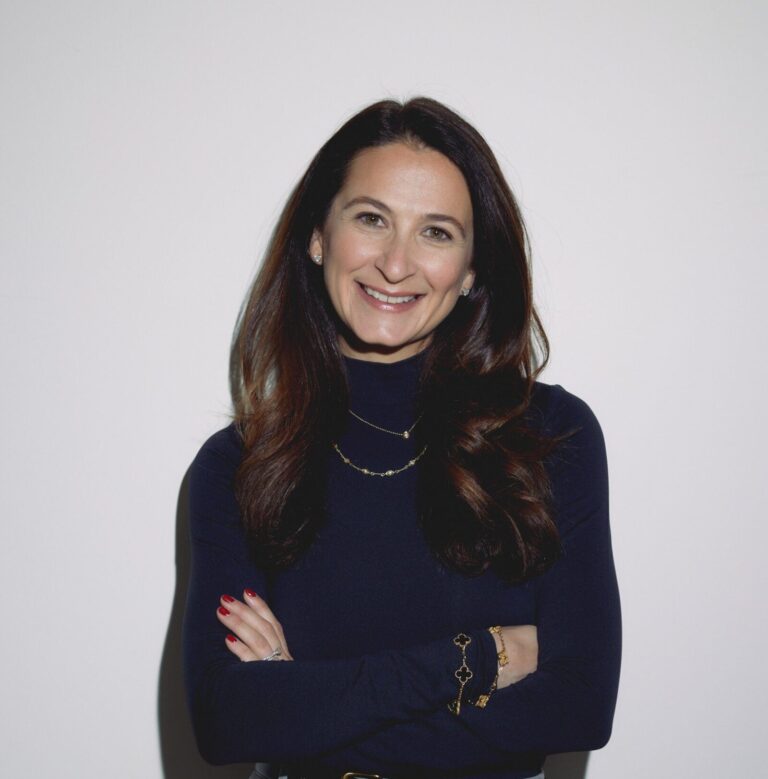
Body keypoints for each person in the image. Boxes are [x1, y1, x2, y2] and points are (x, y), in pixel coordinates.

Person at [182, 96, 621, 779]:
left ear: (472, 268)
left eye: (436, 233)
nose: (395, 264)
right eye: (371, 219)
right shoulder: (241, 466)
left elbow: (578, 707)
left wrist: (303, 700)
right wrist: (480, 657)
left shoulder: (550, 439)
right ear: (319, 235)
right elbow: (225, 720)